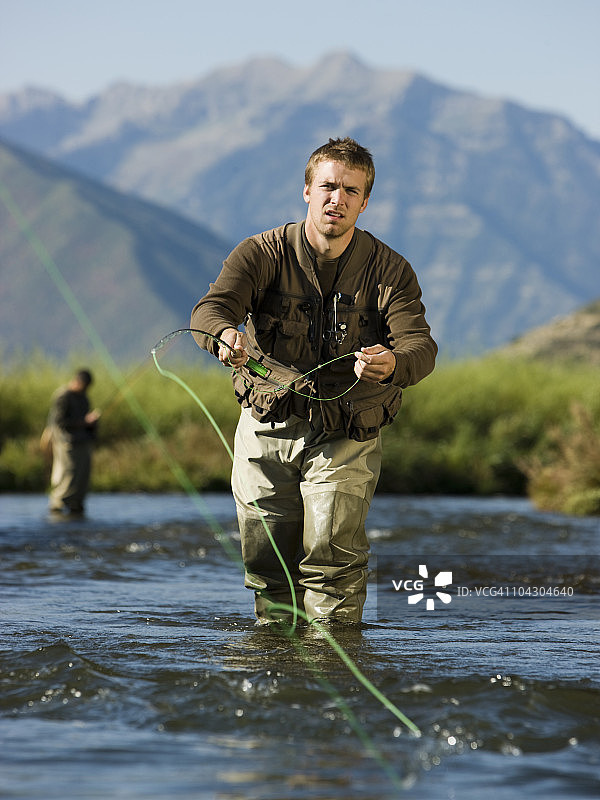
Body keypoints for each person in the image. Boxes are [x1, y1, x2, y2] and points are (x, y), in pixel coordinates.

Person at [191, 137, 437, 625]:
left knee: (332, 559)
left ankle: (334, 667)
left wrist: (392, 362)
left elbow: (420, 347)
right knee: (267, 566)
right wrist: (222, 335)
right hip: (266, 428)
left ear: (365, 201)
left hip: (347, 434)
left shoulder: (391, 270)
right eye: (327, 186)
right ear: (307, 190)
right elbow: (210, 310)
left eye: (350, 190)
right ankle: (277, 670)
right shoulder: (259, 254)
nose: (337, 199)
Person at [47, 369, 100, 517]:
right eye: (84, 386)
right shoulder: (63, 396)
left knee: (82, 476)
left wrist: (92, 423)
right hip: (66, 444)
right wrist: (84, 422)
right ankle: (57, 506)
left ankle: (76, 505)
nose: (85, 389)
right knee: (68, 474)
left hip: (83, 442)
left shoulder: (83, 397)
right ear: (78, 381)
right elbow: (60, 422)